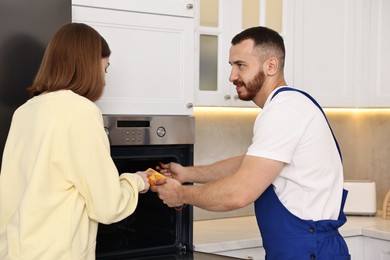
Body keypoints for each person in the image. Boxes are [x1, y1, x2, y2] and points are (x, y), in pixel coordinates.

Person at [151, 26, 350, 259]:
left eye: (240, 65)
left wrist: (181, 195)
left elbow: (239, 193)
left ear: (271, 66)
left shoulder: (284, 110)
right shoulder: (288, 105)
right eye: (231, 65)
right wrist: (187, 174)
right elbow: (250, 164)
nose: (232, 76)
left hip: (309, 250)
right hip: (303, 248)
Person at [0, 23, 150, 260]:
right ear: (89, 66)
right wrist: (136, 182)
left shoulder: (25, 112)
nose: (104, 80)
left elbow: (9, 195)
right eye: (105, 69)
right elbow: (108, 206)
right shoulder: (82, 112)